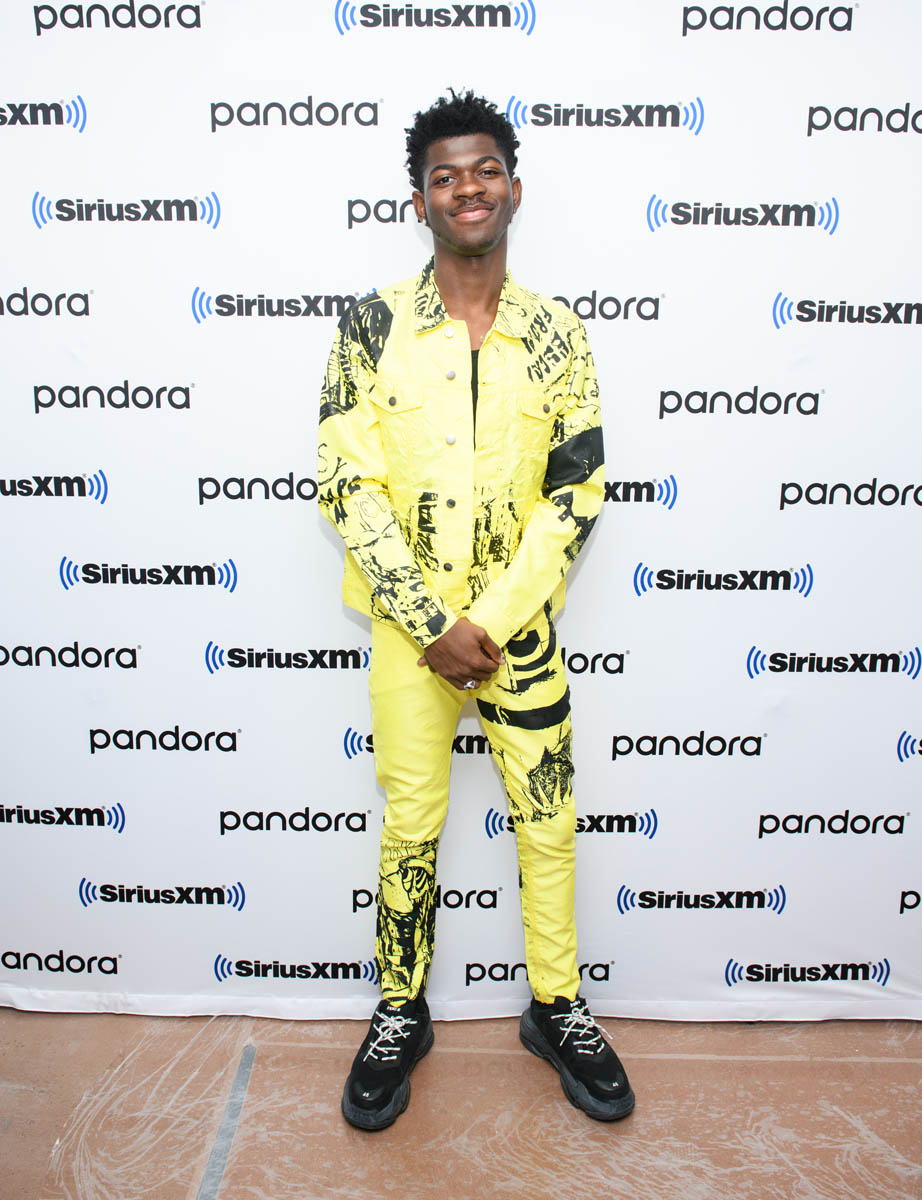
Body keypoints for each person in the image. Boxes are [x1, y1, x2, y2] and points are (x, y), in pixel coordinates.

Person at [318, 89, 634, 1130]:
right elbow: (347, 486)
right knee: (410, 824)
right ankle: (399, 1011)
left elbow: (575, 491)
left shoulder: (558, 334)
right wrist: (430, 623)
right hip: (408, 638)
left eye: (485, 169)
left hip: (518, 635)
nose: (468, 187)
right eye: (445, 174)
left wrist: (488, 622)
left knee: (548, 820)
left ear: (513, 188)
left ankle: (556, 1006)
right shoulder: (371, 328)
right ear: (419, 201)